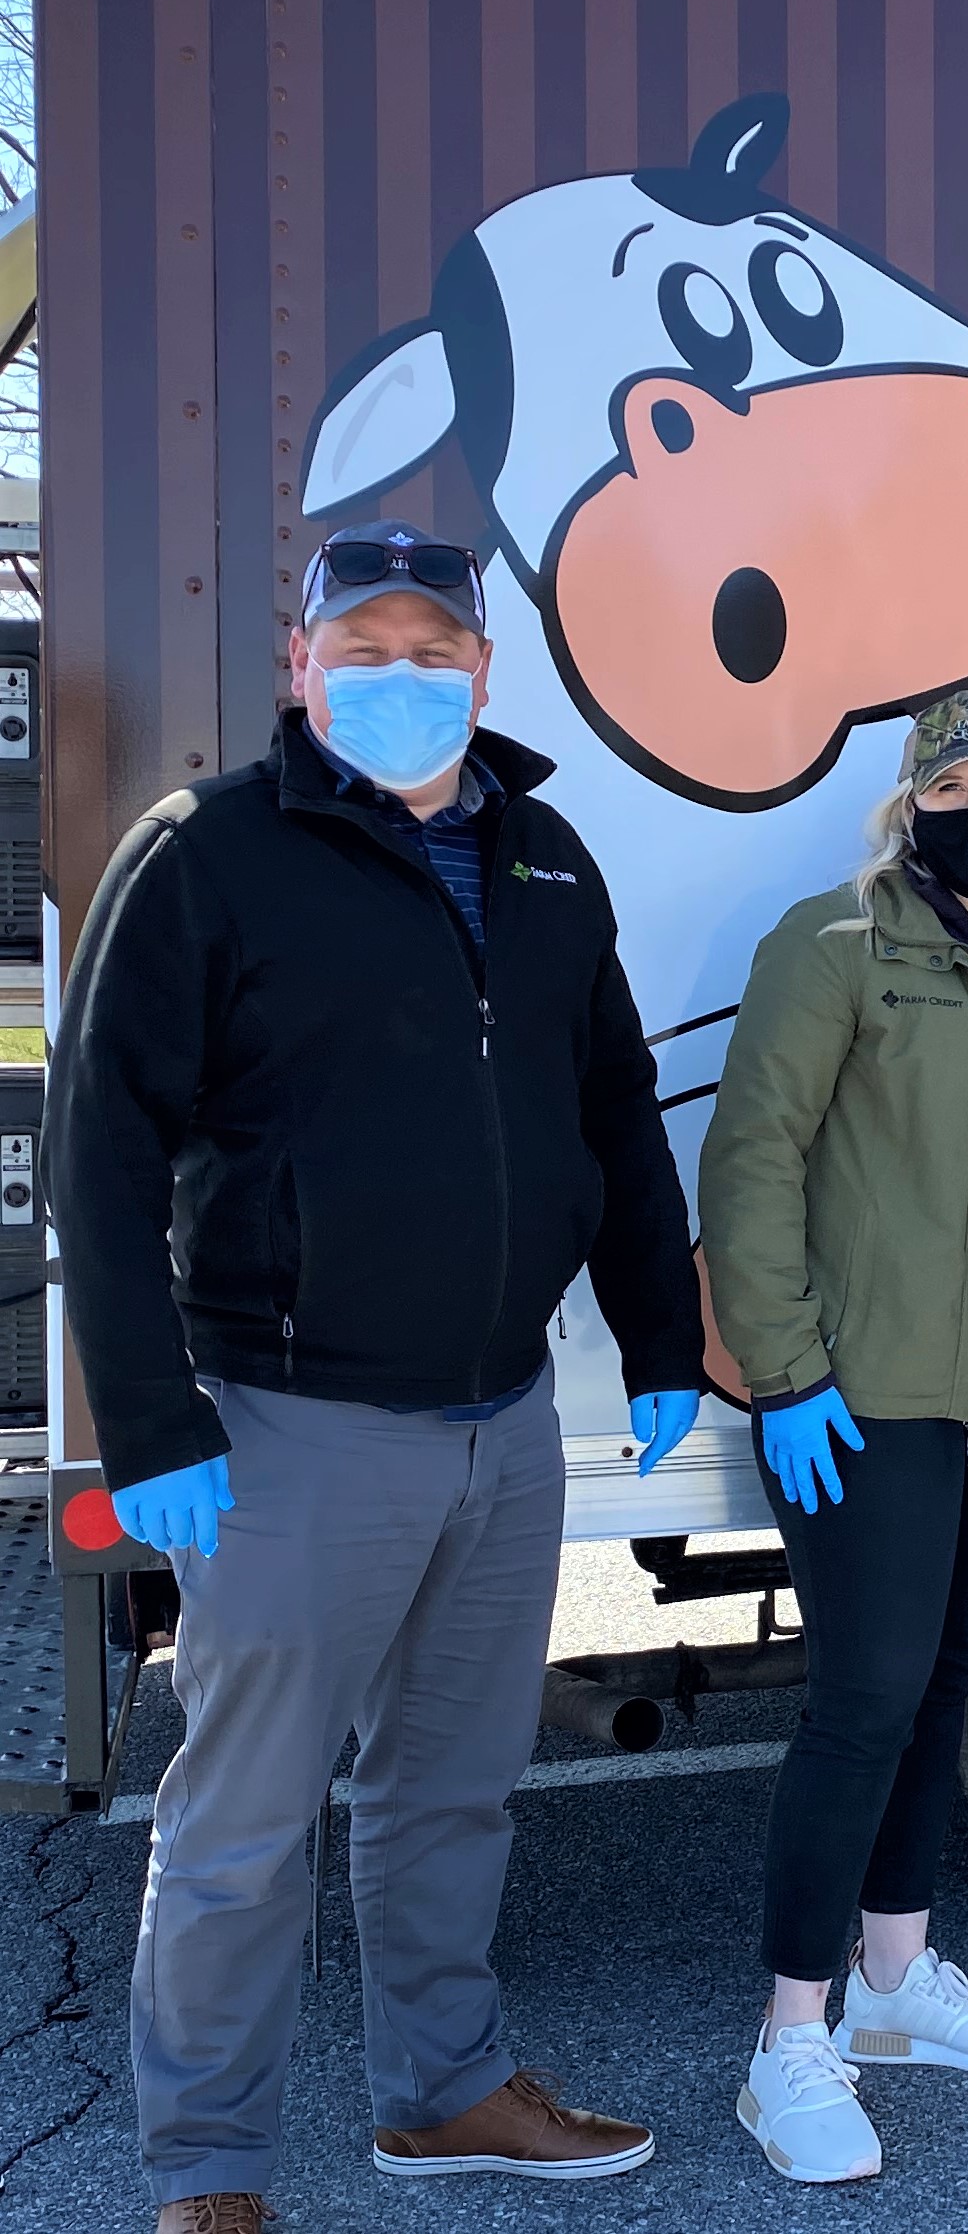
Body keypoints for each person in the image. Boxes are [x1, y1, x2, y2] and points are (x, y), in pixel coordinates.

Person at [49, 521, 702, 2233]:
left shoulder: (549, 857)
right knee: (242, 1819)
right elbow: (98, 1152)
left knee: (454, 1788)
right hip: (289, 1427)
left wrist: (655, 1331)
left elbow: (615, 1108)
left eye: (433, 649)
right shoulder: (207, 853)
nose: (400, 677)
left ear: (486, 671)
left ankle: (444, 2090)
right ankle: (210, 2166)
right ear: (302, 663)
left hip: (504, 1415)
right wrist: (153, 1415)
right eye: (366, 646)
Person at [700, 691, 968, 2184]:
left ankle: (894, 1987)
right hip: (866, 1383)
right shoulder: (836, 945)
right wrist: (788, 1371)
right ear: (908, 801)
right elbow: (750, 1157)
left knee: (950, 1671)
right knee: (864, 1694)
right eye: (946, 780)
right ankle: (789, 2041)